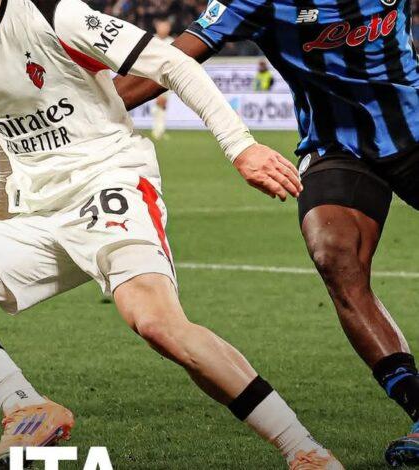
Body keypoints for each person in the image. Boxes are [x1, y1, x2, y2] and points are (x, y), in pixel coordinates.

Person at [0, 0, 344, 467]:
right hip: (38, 214)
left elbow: (172, 63)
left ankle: (304, 451)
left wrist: (241, 147)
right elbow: (3, 133)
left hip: (109, 186)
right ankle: (25, 406)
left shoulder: (53, 13)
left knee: (157, 324)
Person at [114, 0, 419, 465]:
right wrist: (73, 111)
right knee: (334, 255)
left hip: (413, 129)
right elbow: (171, 60)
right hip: (336, 146)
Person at [151, 16, 174, 140]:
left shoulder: (171, 41)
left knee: (163, 103)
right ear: (157, 27)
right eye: (162, 26)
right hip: (153, 75)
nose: (164, 29)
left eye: (166, 26)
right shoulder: (152, 40)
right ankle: (157, 130)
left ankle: (159, 130)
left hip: (166, 77)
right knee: (160, 102)